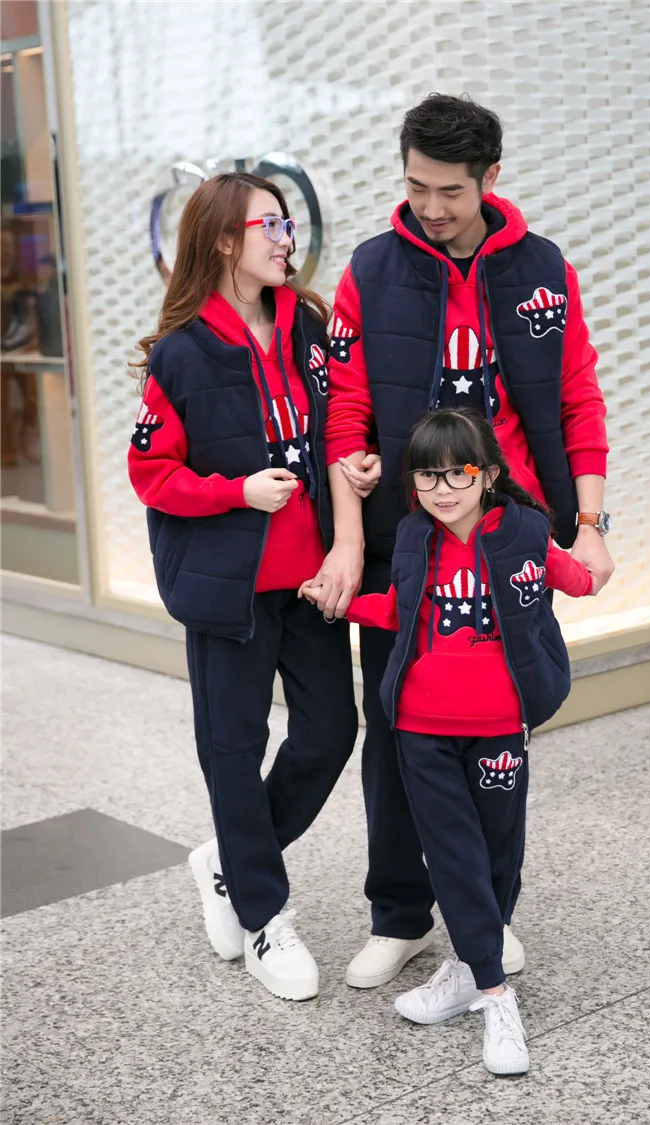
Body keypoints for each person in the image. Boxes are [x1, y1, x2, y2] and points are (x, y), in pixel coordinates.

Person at [311, 93, 614, 989]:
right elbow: (348, 410)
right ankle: (401, 914)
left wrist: (589, 526)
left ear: (491, 177)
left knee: (497, 740)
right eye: (414, 186)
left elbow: (578, 402)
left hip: (511, 538)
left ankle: (486, 911)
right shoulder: (373, 267)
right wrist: (346, 540)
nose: (429, 207)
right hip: (406, 544)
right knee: (399, 730)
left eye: (448, 190)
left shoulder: (542, 270)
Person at [302, 408, 593, 1074]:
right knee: (453, 851)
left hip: (498, 727)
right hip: (422, 728)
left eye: (458, 471)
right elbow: (400, 611)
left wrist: (589, 555)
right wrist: (342, 601)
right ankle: (496, 997)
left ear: (488, 474)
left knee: (498, 854)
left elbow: (576, 578)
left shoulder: (523, 533)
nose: (442, 487)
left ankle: (467, 968)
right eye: (428, 474)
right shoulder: (411, 538)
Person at [127, 172, 358, 1002]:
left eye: (287, 222)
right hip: (228, 589)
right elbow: (149, 470)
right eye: (269, 223)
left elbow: (344, 419)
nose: (284, 237)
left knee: (331, 730)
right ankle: (263, 917)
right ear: (226, 240)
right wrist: (234, 490)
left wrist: (352, 472)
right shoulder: (186, 351)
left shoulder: (313, 329)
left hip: (310, 581)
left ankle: (227, 856)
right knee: (233, 748)